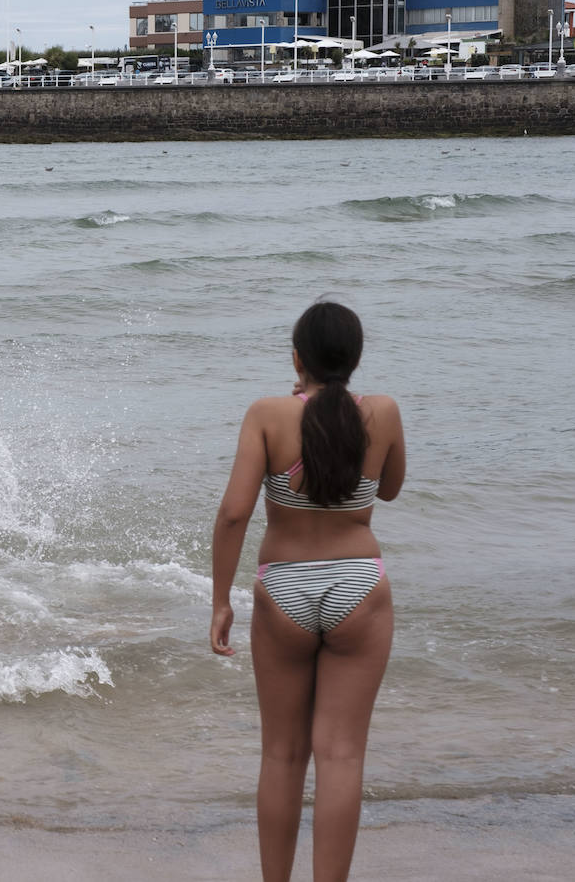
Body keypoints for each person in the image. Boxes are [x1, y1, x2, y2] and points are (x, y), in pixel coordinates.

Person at [210, 300, 406, 882]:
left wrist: (221, 600)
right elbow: (389, 489)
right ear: (356, 358)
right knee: (341, 756)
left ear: (297, 358)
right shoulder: (385, 412)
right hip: (359, 585)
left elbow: (233, 514)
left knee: (282, 754)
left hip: (284, 589)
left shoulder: (267, 415)